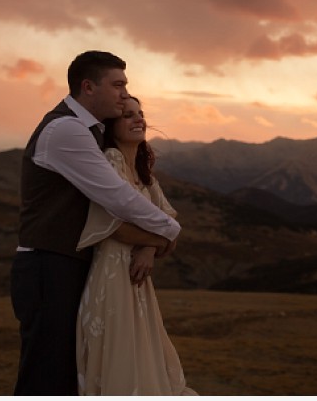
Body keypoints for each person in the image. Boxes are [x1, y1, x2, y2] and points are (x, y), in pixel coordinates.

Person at [11, 51, 182, 396]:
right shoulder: (66, 129)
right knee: (46, 374)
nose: (123, 93)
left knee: (68, 372)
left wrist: (154, 239)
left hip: (68, 263)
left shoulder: (89, 131)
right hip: (48, 263)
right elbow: (116, 197)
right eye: (117, 84)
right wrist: (169, 232)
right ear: (88, 87)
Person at [76, 96, 196, 395]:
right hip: (113, 273)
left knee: (142, 346)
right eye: (128, 115)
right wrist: (157, 240)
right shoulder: (111, 160)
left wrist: (147, 249)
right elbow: (111, 223)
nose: (138, 119)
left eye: (140, 114)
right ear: (111, 126)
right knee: (121, 352)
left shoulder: (145, 176)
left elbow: (168, 218)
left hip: (137, 277)